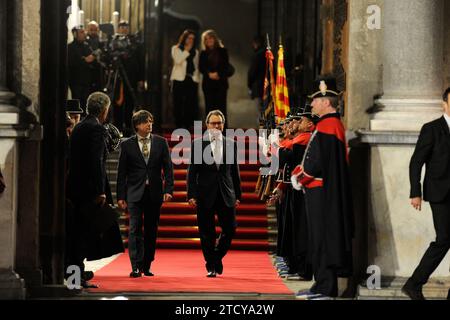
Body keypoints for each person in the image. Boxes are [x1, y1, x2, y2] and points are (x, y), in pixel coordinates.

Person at [292, 78, 354, 300]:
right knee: (316, 238)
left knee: (322, 239)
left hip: (320, 192)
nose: (311, 106)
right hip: (317, 191)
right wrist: (300, 172)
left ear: (326, 103)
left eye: (315, 103)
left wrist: (301, 177)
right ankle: (320, 284)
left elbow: (317, 162)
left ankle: (326, 288)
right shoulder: (326, 125)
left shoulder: (329, 125)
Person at [66, 92, 123, 288]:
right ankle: (75, 280)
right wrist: (100, 191)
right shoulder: (96, 129)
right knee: (82, 237)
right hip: (89, 191)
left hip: (75, 188)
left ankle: (77, 276)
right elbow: (96, 161)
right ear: (105, 110)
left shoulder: (81, 126)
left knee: (77, 235)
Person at [402, 87, 450, 301]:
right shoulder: (431, 128)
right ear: (445, 104)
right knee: (444, 239)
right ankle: (414, 283)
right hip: (440, 192)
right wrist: (415, 192)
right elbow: (416, 162)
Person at [117, 110, 174, 278]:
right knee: (134, 229)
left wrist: (169, 190)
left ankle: (147, 264)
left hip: (154, 193)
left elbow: (168, 169)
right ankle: (135, 265)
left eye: (150, 121)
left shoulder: (161, 143)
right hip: (134, 193)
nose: (149, 124)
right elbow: (122, 173)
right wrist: (121, 196)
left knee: (151, 230)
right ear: (137, 125)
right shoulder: (127, 145)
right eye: (145, 122)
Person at [187, 110, 242, 277]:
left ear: (223, 125)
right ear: (207, 125)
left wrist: (238, 195)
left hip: (226, 193)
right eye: (213, 123)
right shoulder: (198, 144)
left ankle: (216, 257)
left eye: (219, 123)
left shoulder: (231, 143)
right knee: (206, 232)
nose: (216, 126)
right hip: (204, 194)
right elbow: (192, 172)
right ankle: (210, 265)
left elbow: (234, 172)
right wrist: (191, 195)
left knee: (230, 229)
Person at [111, 20, 145, 137]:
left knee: (130, 104)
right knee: (117, 103)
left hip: (132, 78)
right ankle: (117, 128)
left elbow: (140, 61)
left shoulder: (134, 42)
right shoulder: (113, 41)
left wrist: (141, 78)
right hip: (118, 77)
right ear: (118, 28)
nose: (124, 29)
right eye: (122, 27)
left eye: (126, 27)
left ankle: (129, 128)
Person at [170, 29, 200, 129]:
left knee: (189, 103)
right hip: (179, 79)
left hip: (191, 79)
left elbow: (196, 66)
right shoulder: (176, 48)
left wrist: (196, 78)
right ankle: (178, 125)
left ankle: (187, 125)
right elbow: (178, 61)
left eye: (193, 38)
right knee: (178, 102)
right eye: (189, 38)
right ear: (184, 38)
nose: (191, 40)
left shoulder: (195, 51)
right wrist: (186, 50)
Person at [199, 30, 231, 121]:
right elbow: (201, 67)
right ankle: (210, 133)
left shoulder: (223, 51)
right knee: (209, 108)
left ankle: (223, 132)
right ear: (204, 41)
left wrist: (218, 74)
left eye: (210, 38)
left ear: (214, 39)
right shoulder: (203, 53)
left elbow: (225, 66)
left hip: (221, 83)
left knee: (221, 109)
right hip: (208, 84)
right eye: (206, 39)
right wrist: (209, 74)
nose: (208, 40)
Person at [68, 26, 97, 112]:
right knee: (77, 103)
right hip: (76, 81)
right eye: (81, 32)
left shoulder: (87, 46)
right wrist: (84, 60)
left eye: (84, 32)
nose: (84, 34)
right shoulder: (70, 47)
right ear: (75, 34)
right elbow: (71, 62)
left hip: (87, 81)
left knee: (86, 103)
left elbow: (92, 60)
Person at [247, 35, 266, 126]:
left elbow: (252, 72)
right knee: (266, 109)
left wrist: (249, 85)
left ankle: (262, 131)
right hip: (268, 87)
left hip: (258, 86)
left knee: (260, 110)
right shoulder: (268, 55)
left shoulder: (257, 55)